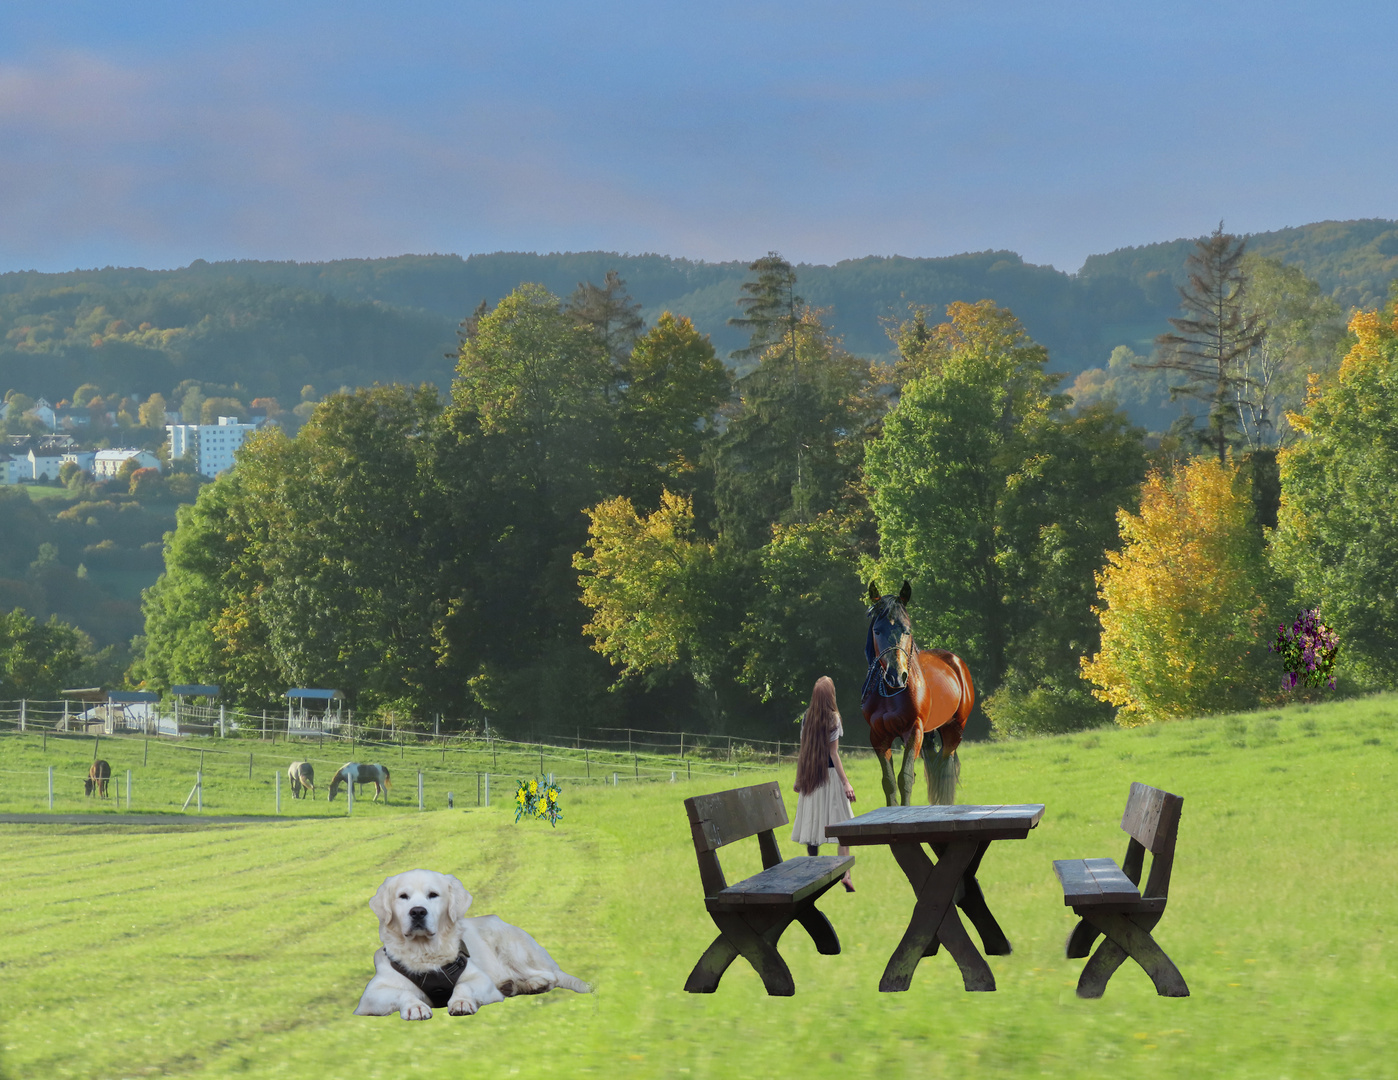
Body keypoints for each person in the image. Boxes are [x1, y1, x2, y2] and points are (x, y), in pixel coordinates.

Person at [790, 675, 856, 891]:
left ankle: (812, 875)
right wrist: (846, 783)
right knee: (843, 827)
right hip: (829, 777)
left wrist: (799, 779)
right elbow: (834, 754)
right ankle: (845, 874)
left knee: (812, 827)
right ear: (830, 695)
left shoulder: (806, 717)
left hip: (811, 777)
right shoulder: (833, 718)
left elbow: (804, 751)